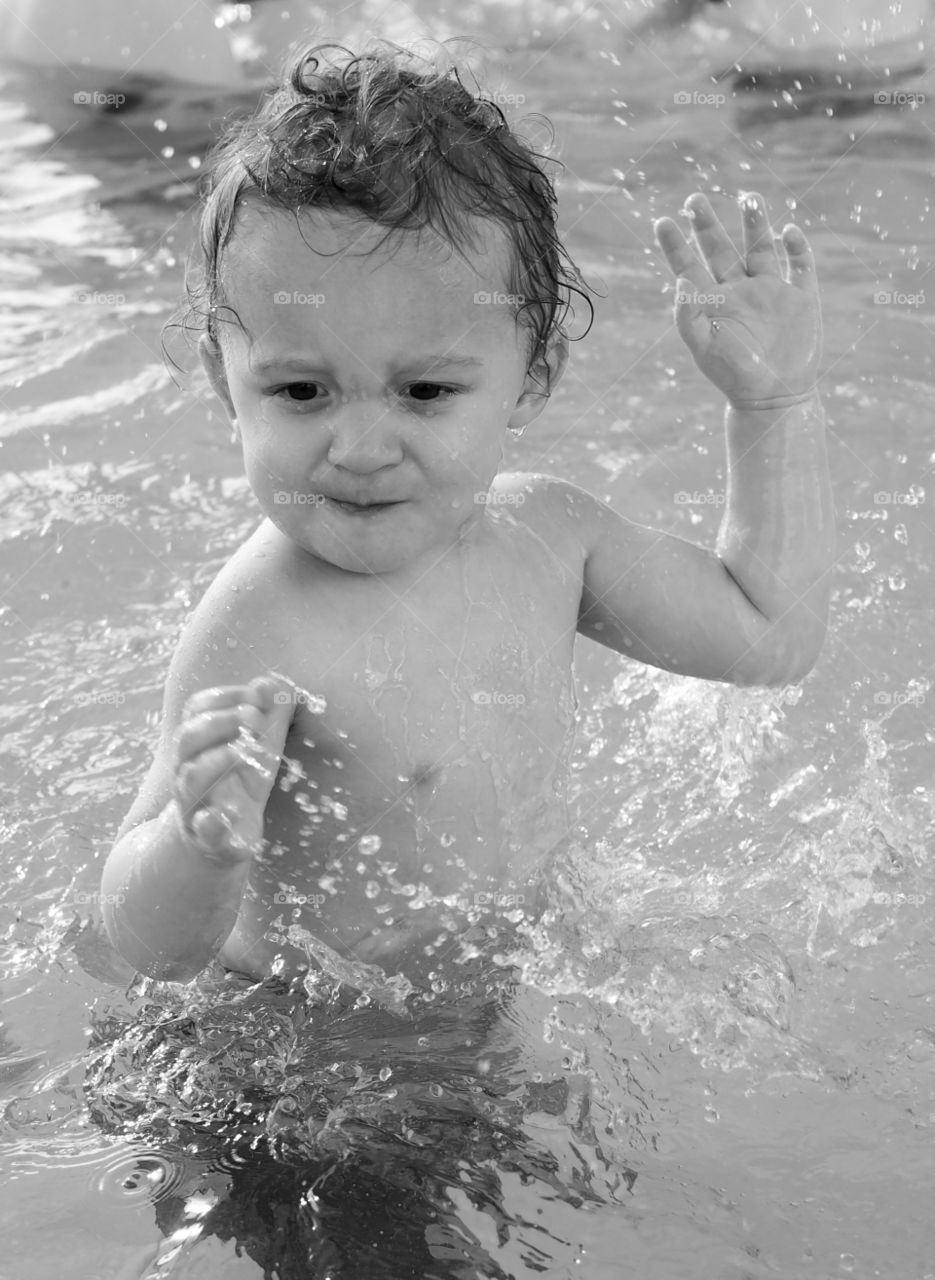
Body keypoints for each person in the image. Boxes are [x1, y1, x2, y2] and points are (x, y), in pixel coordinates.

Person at [100, 37, 833, 993]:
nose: (360, 448)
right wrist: (196, 849)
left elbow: (768, 639)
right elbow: (144, 948)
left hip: (489, 1032)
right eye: (301, 392)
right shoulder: (258, 623)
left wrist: (771, 407)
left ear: (532, 377)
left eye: (426, 390)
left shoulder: (554, 541)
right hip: (297, 1062)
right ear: (222, 382)